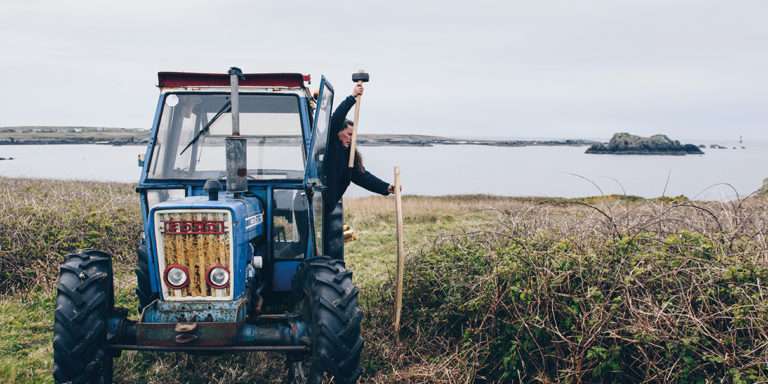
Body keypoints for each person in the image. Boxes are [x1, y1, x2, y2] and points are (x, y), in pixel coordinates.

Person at [321, 83, 395, 260]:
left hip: (328, 207)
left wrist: (387, 188)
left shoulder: (350, 157)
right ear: (338, 133)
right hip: (316, 205)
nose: (351, 138)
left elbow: (363, 178)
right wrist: (352, 97)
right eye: (348, 134)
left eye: (354, 136)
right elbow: (336, 118)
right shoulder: (331, 145)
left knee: (329, 249)